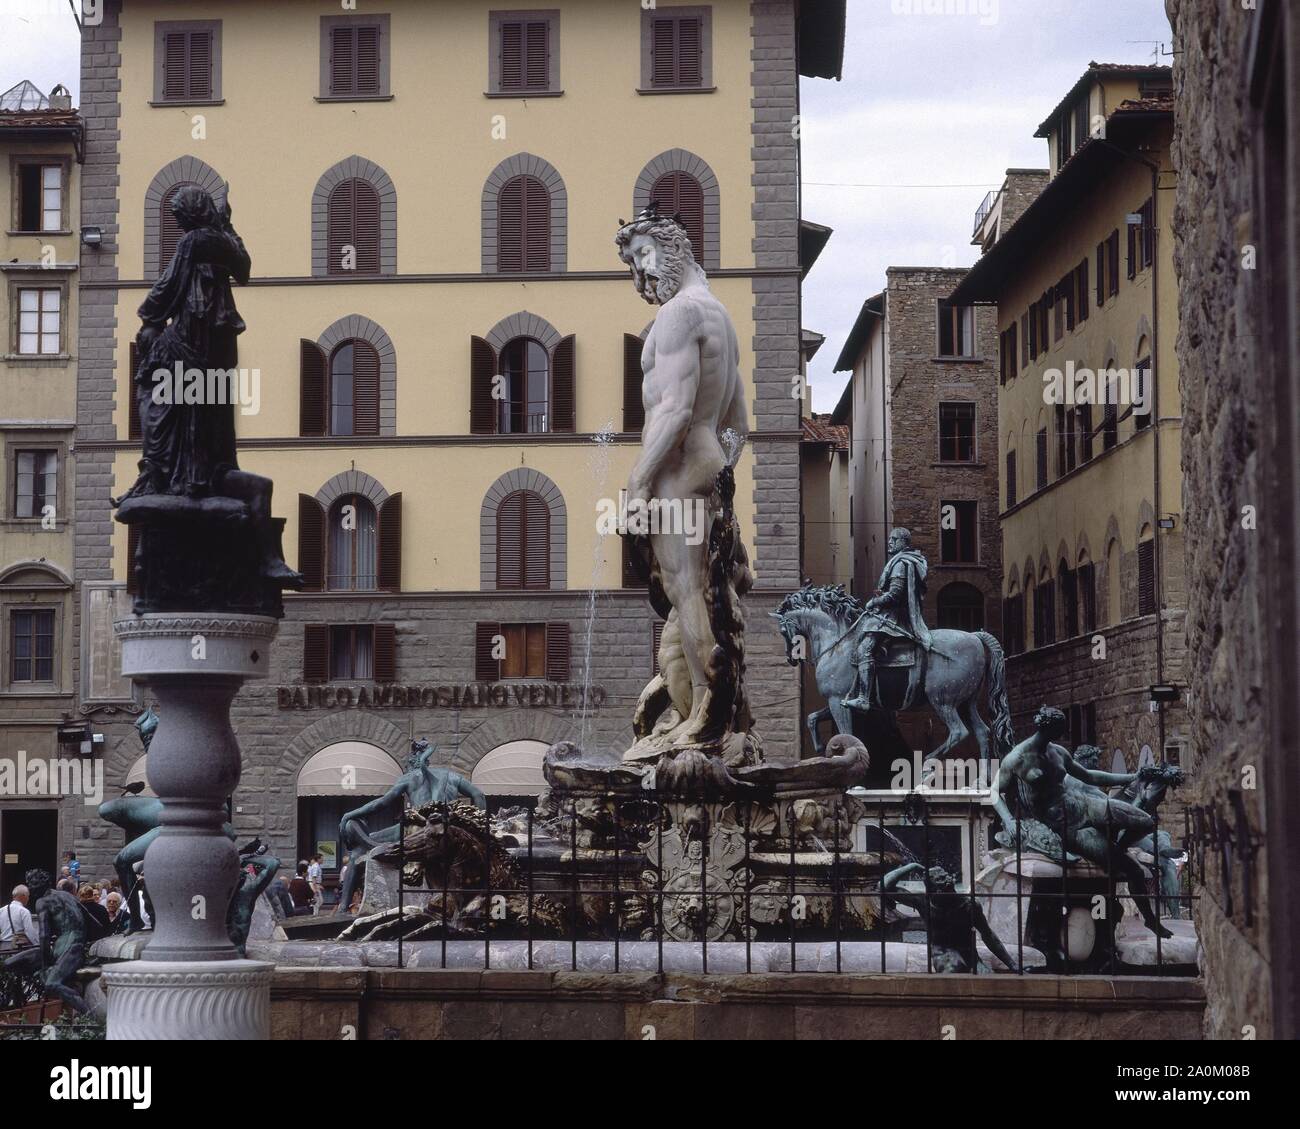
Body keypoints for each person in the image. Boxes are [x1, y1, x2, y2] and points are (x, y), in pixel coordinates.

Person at [843, 527, 933, 712]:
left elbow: (895, 594)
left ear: (904, 543)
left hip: (894, 616)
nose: (890, 542)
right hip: (890, 613)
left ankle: (863, 699)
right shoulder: (901, 561)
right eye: (890, 539)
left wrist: (874, 601)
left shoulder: (901, 563)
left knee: (864, 649)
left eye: (894, 539)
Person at [0, 884, 39, 951]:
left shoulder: (1, 910)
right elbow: (30, 932)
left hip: (3, 947)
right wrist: (37, 945)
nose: (28, 899)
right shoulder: (24, 911)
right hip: (18, 947)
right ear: (23, 896)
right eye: (28, 896)